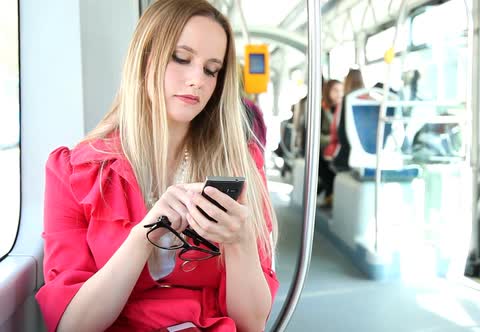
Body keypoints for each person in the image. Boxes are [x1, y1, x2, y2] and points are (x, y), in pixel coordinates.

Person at [35, 1, 279, 331]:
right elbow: (72, 326)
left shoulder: (243, 163)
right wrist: (144, 237)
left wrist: (240, 241)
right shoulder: (73, 172)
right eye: (181, 58)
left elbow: (251, 323)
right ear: (146, 58)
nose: (198, 80)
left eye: (211, 69)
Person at [318, 79, 343, 207]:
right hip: (322, 149)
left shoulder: (342, 109)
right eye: (335, 90)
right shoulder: (321, 110)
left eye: (341, 90)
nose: (339, 94)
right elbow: (316, 137)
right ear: (328, 92)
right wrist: (333, 138)